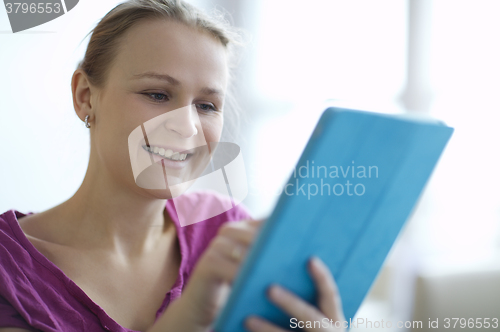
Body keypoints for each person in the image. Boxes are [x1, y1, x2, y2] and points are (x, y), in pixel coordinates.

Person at [0, 0, 345, 331]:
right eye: (157, 94)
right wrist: (191, 315)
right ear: (85, 96)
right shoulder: (9, 266)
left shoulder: (223, 230)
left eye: (207, 105)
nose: (188, 126)